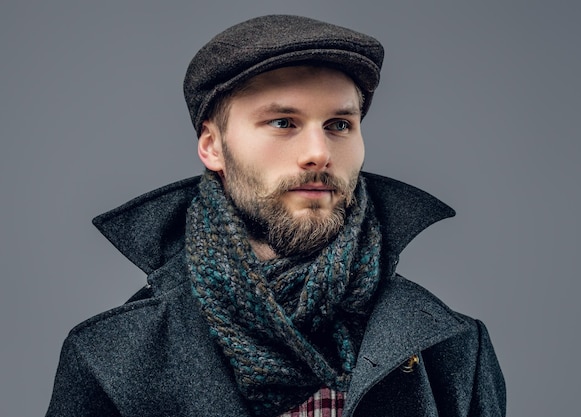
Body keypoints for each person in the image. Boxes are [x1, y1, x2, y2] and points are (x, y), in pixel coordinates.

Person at [46, 15, 505, 417]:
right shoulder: (113, 359)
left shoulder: (453, 349)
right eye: (283, 122)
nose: (318, 153)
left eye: (339, 125)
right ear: (212, 146)